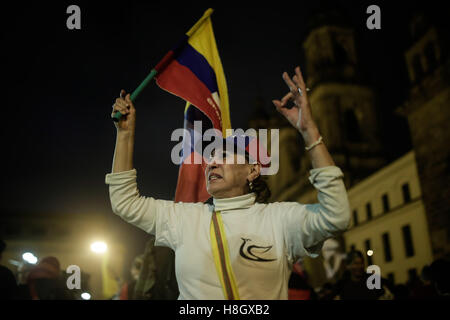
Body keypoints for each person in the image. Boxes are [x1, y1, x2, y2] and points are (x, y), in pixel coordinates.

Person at [105, 66, 351, 299]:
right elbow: (124, 202)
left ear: (253, 170)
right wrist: (125, 135)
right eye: (210, 158)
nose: (211, 163)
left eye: (223, 156)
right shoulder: (184, 218)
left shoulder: (280, 219)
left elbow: (336, 217)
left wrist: (309, 131)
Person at [329, 250, 393, 300]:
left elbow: (393, 290)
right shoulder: (342, 285)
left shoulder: (373, 280)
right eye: (356, 263)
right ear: (348, 266)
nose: (359, 266)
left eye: (361, 263)